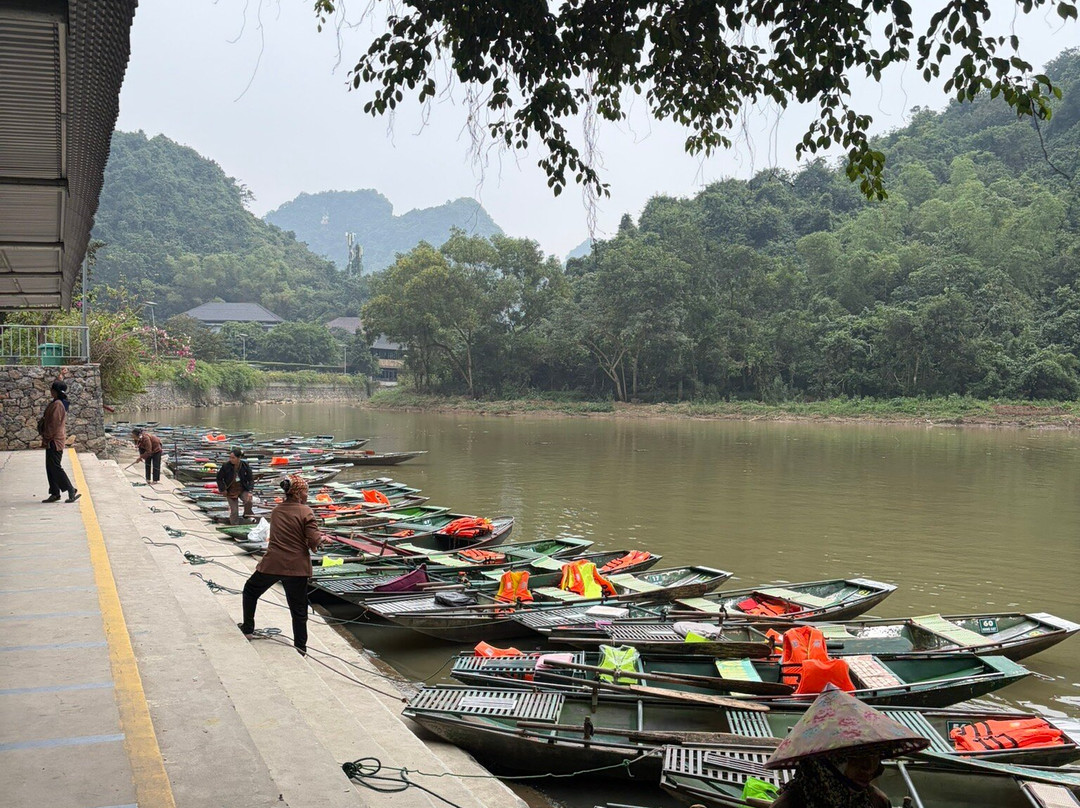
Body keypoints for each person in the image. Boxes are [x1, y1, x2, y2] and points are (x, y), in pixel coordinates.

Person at [764, 685, 931, 808]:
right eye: (856, 757)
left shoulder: (876, 801)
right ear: (828, 762)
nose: (868, 768)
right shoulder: (790, 804)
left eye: (873, 756)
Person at [237, 474, 322, 655]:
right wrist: (321, 540)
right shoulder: (306, 511)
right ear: (298, 494)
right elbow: (314, 540)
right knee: (299, 611)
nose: (307, 495)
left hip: (273, 563)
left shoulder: (276, 511)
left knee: (251, 590)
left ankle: (248, 628)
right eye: (305, 491)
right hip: (297, 567)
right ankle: (301, 649)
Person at [39, 380, 79, 503]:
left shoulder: (57, 405)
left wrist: (46, 437)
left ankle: (70, 489)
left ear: (54, 391)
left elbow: (53, 424)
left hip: (54, 440)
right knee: (50, 467)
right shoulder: (59, 403)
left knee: (55, 467)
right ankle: (55, 492)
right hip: (53, 439)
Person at [215, 446, 254, 525]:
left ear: (239, 458)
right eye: (230, 457)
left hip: (242, 489)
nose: (231, 459)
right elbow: (219, 478)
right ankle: (234, 525)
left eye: (233, 458)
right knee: (234, 511)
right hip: (230, 490)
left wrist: (250, 490)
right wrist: (223, 489)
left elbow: (250, 479)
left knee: (249, 501)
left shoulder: (245, 465)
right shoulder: (226, 466)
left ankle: (246, 515)